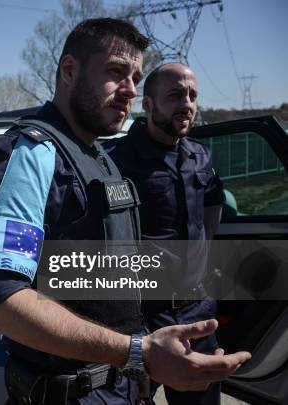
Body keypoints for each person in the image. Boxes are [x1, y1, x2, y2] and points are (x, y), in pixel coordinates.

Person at [0, 19, 249, 405]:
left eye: (136, 76)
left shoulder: (100, 157)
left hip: (120, 387)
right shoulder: (30, 154)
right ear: (69, 70)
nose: (130, 89)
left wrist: (135, 366)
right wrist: (138, 353)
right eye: (117, 72)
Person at [108, 63, 225, 404]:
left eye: (192, 95)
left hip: (199, 314)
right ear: (148, 105)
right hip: (143, 318)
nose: (187, 103)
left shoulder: (200, 155)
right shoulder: (117, 161)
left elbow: (214, 201)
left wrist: (202, 257)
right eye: (175, 95)